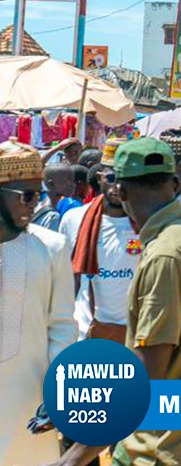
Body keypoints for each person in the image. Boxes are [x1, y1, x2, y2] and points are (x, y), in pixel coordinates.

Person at [55, 138, 181, 466]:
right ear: (173, 183)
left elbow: (147, 371)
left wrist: (74, 457)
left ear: (121, 192)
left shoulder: (165, 255)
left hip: (167, 445)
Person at [0, 140, 75, 466]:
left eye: (39, 195)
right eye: (26, 196)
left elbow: (61, 326)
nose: (36, 205)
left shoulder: (52, 247)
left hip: (30, 398)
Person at [59, 151, 141, 343]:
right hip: (85, 332)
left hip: (135, 335)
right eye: (111, 178)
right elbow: (66, 280)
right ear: (100, 178)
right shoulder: (74, 219)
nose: (117, 187)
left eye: (125, 179)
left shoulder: (148, 222)